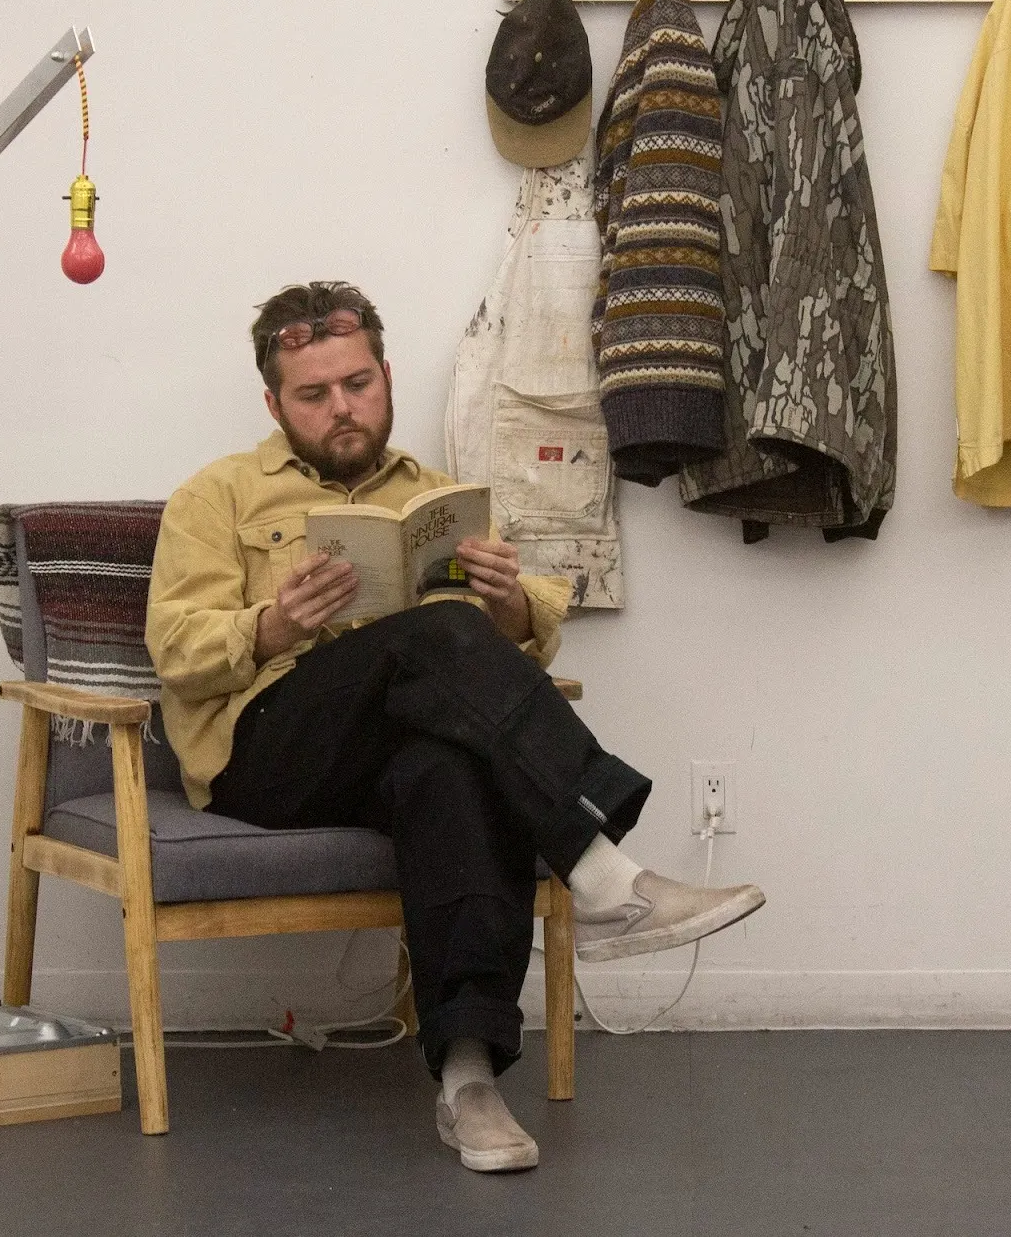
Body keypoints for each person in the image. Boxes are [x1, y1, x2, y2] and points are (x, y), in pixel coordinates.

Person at [145, 281, 765, 1173]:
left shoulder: (440, 498)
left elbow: (505, 655)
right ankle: (603, 871)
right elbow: (174, 648)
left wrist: (510, 607)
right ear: (274, 405)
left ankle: (469, 1083)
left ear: (387, 378)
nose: (341, 408)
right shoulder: (217, 496)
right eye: (313, 394)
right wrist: (272, 625)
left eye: (357, 384)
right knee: (435, 634)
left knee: (450, 768)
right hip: (269, 752)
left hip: (388, 751)